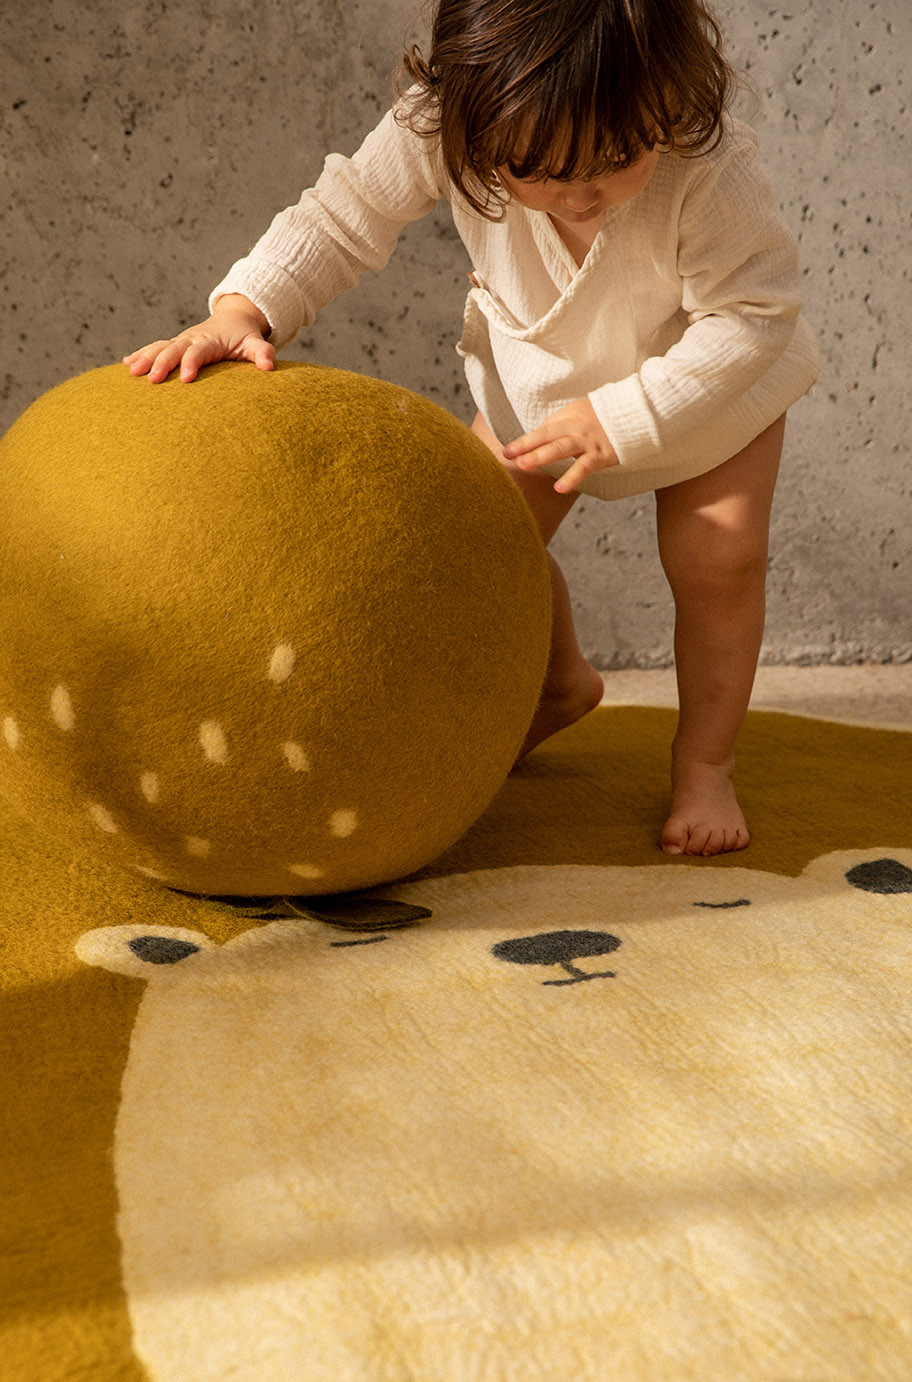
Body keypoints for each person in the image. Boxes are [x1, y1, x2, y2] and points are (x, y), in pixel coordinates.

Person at [123, 0, 820, 857]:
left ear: (672, 99)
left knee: (720, 556)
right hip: (545, 386)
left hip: (704, 392)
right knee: (477, 541)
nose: (580, 193)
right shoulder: (437, 125)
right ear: (466, 112)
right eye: (536, 170)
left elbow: (752, 317)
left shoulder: (706, 163)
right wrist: (245, 309)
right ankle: (559, 683)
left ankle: (706, 764)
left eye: (618, 159)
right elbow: (343, 217)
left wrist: (626, 415)